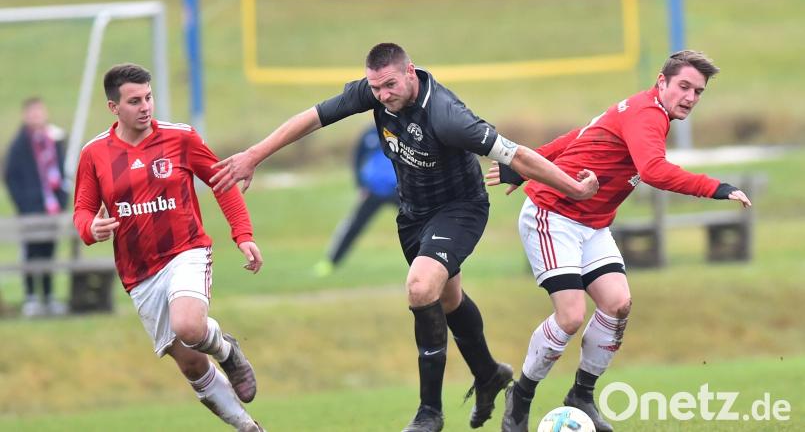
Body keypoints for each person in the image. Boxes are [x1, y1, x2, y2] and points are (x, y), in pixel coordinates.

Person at [209, 43, 598, 432]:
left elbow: (517, 155)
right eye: (376, 88)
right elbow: (313, 117)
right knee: (447, 298)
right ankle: (488, 373)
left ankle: (429, 412)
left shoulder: (447, 116)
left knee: (420, 287)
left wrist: (575, 189)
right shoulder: (373, 91)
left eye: (390, 85)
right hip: (414, 215)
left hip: (461, 209)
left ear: (410, 72)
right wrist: (254, 154)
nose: (383, 96)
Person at [485, 50, 752, 432]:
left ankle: (581, 395)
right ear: (661, 82)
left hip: (592, 224)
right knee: (571, 316)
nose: (690, 98)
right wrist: (717, 187)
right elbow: (654, 171)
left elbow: (582, 135)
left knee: (617, 302)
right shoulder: (647, 114)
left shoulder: (641, 109)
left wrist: (528, 163)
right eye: (684, 87)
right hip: (552, 216)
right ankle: (521, 395)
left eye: (698, 92)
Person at [72, 64, 266, 432]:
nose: (145, 106)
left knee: (189, 325)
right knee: (191, 364)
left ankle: (227, 351)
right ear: (114, 108)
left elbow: (221, 182)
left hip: (185, 251)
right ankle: (247, 427)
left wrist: (243, 234)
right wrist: (90, 228)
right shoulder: (95, 153)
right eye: (134, 101)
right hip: (139, 273)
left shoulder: (181, 138)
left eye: (148, 97)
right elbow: (82, 209)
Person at [3, 97, 69, 317]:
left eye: (39, 112)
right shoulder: (19, 145)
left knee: (49, 252)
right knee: (31, 253)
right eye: (32, 113)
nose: (36, 117)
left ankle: (49, 296)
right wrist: (24, 203)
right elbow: (10, 176)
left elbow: (62, 171)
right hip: (30, 210)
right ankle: (31, 297)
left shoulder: (54, 139)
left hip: (51, 208)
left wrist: (61, 198)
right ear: (25, 115)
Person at [313, 124, 400, 277]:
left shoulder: (404, 131)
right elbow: (357, 160)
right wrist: (361, 185)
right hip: (373, 191)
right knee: (353, 227)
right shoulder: (369, 134)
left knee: (420, 225)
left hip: (399, 191)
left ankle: (433, 261)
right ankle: (331, 262)